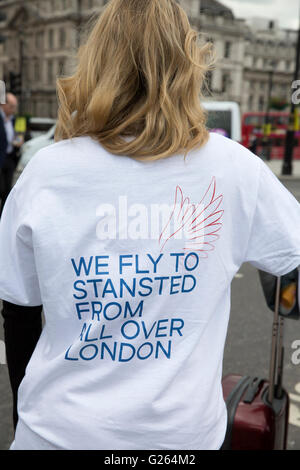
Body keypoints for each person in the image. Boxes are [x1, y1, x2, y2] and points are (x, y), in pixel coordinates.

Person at [0, 0, 299, 451]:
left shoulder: (46, 172)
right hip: (182, 438)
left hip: (58, 432)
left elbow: (19, 309)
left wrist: (28, 406)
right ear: (188, 61)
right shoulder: (236, 170)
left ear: (97, 61)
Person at [0, 93, 23, 216]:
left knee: (7, 191)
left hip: (10, 158)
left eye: (15, 106)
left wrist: (20, 140)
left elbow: (19, 135)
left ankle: (4, 216)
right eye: (12, 106)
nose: (14, 109)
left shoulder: (15, 120)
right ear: (3, 104)